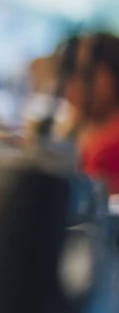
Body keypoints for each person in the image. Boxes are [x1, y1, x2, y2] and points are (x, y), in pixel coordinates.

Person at [63, 32, 119, 194]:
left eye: (80, 74)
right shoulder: (91, 132)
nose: (68, 86)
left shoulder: (106, 146)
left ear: (104, 79)